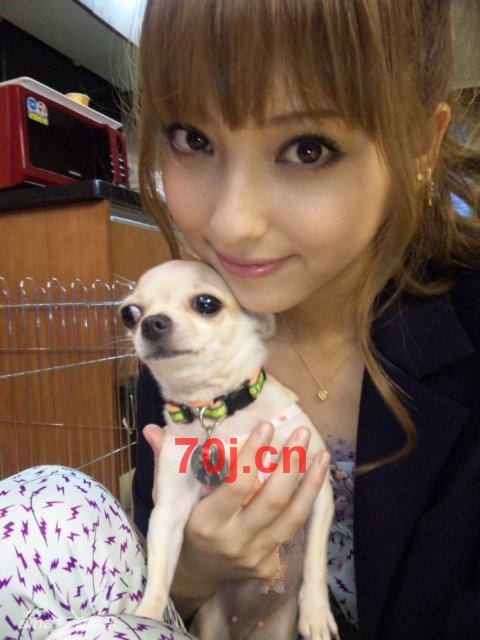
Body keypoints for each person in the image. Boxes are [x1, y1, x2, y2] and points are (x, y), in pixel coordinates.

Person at [0, 2, 479, 640]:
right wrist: (196, 568)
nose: (231, 224)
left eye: (307, 149)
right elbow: (156, 557)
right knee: (40, 506)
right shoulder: (186, 335)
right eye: (192, 139)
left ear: (418, 144)